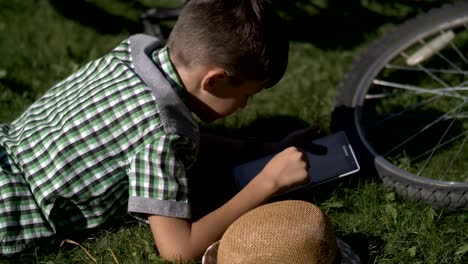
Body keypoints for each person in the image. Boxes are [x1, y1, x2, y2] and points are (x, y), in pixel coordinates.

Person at [0, 0, 315, 262]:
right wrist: (268, 182)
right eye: (247, 94)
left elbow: (173, 138)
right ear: (215, 81)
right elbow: (178, 249)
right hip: (12, 213)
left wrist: (259, 150)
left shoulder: (129, 57)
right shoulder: (161, 135)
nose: (245, 105)